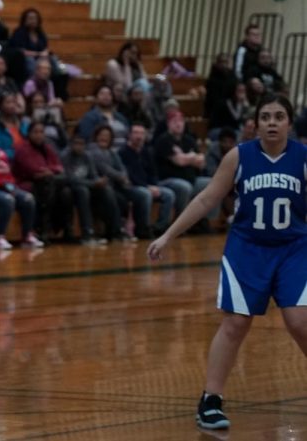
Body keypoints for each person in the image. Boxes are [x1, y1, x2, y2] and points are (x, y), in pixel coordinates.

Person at [148, 94, 307, 431]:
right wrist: (168, 236)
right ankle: (211, 400)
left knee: (300, 321)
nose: (272, 122)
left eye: (279, 116)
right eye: (266, 117)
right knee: (236, 323)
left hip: (294, 249)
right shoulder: (240, 156)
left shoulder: (304, 157)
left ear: (289, 123)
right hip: (246, 249)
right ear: (256, 124)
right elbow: (207, 198)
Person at [13, 121, 72, 241]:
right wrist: (52, 171)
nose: (39, 135)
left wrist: (50, 171)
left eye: (41, 132)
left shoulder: (47, 147)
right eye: (35, 132)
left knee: (66, 192)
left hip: (48, 181)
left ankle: (66, 229)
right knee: (48, 185)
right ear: (29, 134)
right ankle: (43, 228)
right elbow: (34, 170)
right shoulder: (23, 149)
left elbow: (59, 166)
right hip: (25, 183)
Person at [153, 110, 213, 226]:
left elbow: (201, 162)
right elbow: (179, 162)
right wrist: (191, 157)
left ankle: (202, 221)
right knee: (184, 187)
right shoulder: (163, 140)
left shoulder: (189, 139)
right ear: (168, 124)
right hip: (168, 179)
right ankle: (180, 223)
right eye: (175, 121)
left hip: (191, 178)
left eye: (181, 121)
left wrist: (186, 157)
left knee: (210, 183)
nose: (178, 124)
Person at [118, 124, 176, 237]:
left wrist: (154, 185)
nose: (139, 136)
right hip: (130, 186)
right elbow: (129, 176)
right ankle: (143, 228)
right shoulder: (123, 152)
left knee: (169, 194)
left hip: (147, 185)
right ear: (129, 135)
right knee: (145, 194)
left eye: (141, 133)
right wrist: (147, 187)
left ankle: (160, 228)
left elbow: (153, 172)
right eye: (136, 133)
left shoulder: (147, 151)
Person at [61, 133, 111, 245]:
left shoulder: (87, 156)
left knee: (106, 190)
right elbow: (70, 179)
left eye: (82, 144)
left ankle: (112, 230)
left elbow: (93, 174)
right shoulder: (65, 156)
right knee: (83, 191)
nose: (79, 146)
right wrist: (94, 183)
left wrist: (99, 180)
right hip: (69, 188)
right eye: (76, 143)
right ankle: (87, 233)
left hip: (86, 185)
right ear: (71, 144)